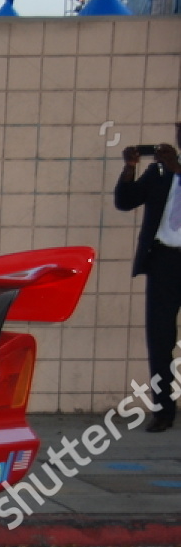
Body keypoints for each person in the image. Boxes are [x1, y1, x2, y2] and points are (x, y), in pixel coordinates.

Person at [115, 125, 181, 433]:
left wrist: (178, 169)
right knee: (159, 338)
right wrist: (129, 169)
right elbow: (125, 201)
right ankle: (163, 410)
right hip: (164, 261)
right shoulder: (159, 172)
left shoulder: (172, 168)